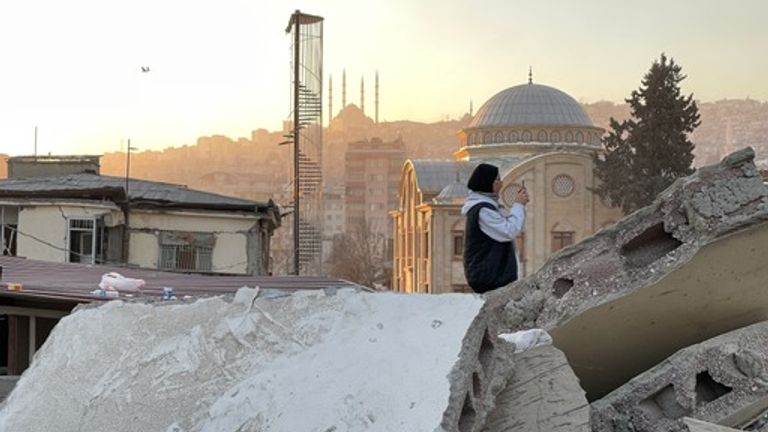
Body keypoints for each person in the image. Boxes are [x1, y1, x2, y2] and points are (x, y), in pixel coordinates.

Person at [461, 163, 529, 293]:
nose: (501, 184)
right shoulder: (483, 211)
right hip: (489, 277)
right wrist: (518, 205)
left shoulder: (488, 207)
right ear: (487, 183)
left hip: (493, 276)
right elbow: (509, 231)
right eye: (497, 180)